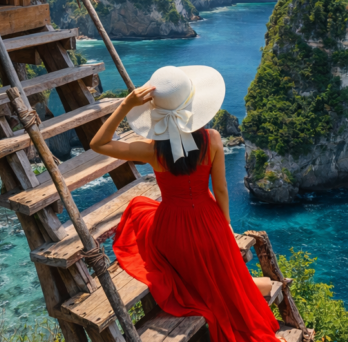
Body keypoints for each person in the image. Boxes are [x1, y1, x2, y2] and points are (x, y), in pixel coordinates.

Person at [91, 65, 283, 342]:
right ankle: (257, 287)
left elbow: (98, 144)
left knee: (138, 207)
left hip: (171, 235)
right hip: (209, 224)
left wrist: (125, 105)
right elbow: (221, 189)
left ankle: (243, 287)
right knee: (230, 285)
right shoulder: (212, 139)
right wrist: (224, 226)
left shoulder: (152, 149)